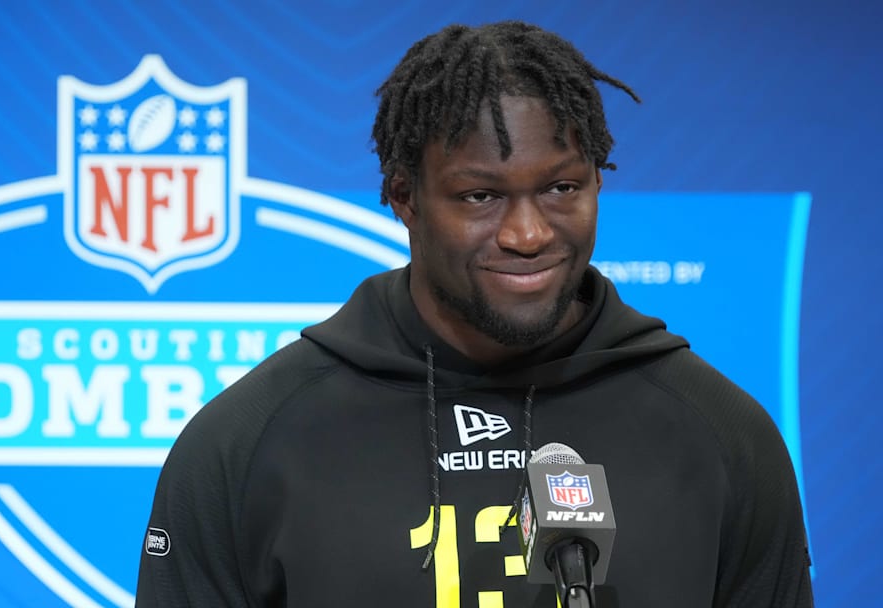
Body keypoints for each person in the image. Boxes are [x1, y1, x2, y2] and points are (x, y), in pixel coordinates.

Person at [135, 20, 814, 608]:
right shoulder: (247, 444)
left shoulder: (722, 436)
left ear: (598, 182)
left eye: (561, 187)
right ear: (405, 197)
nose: (528, 233)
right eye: (480, 196)